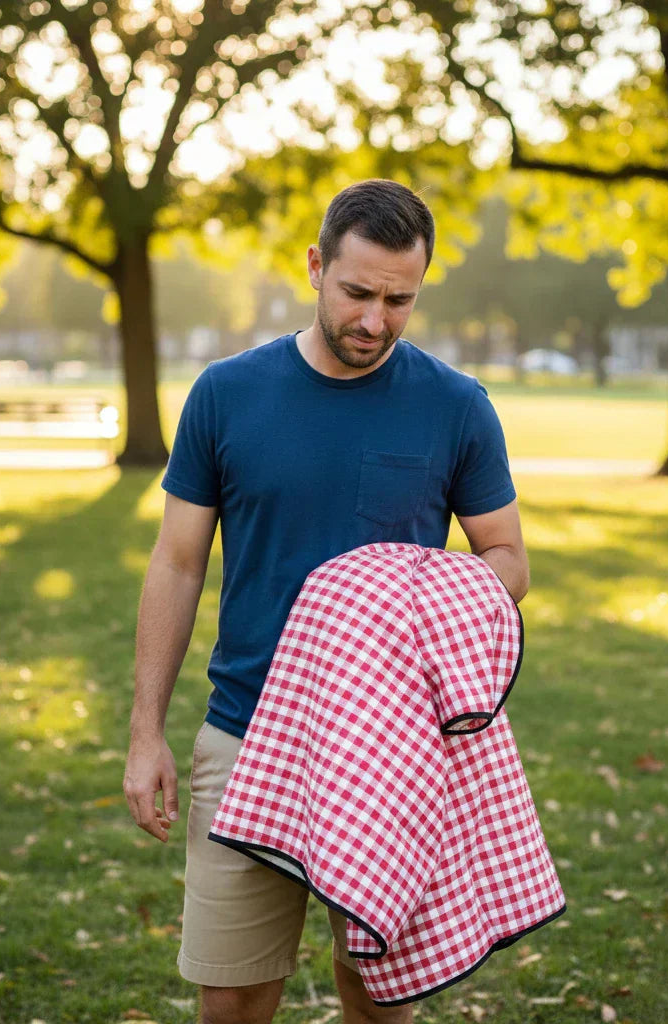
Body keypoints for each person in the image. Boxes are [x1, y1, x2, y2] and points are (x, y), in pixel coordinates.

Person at [123, 179, 529, 1024]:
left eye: (399, 300)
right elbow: (177, 564)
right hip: (245, 734)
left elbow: (507, 557)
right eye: (357, 292)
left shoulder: (458, 406)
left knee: (377, 993)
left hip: (393, 751)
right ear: (315, 267)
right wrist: (145, 733)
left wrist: (408, 586)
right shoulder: (227, 393)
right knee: (234, 995)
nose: (375, 321)